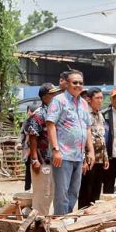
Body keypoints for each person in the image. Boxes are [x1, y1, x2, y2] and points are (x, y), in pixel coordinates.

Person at [46, 70, 95, 215]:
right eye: (75, 82)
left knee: (74, 192)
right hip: (63, 155)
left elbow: (87, 128)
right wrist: (55, 150)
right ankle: (60, 224)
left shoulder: (84, 104)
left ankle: (67, 220)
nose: (78, 85)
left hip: (78, 156)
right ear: (67, 84)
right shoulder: (59, 100)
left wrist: (90, 150)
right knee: (62, 194)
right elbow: (50, 124)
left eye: (80, 83)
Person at [26, 83, 63, 215]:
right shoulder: (39, 115)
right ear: (45, 97)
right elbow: (33, 136)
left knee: (51, 193)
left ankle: (45, 223)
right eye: (53, 94)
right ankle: (38, 224)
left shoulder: (56, 113)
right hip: (42, 161)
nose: (56, 96)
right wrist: (34, 159)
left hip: (54, 161)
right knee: (43, 195)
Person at [78, 88, 109, 208]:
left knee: (96, 189)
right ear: (89, 99)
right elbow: (83, 137)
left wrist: (105, 157)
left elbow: (102, 137)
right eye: (97, 98)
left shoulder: (100, 114)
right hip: (89, 158)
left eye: (102, 98)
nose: (100, 101)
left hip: (100, 158)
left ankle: (93, 215)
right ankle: (81, 216)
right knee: (86, 189)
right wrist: (84, 159)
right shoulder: (85, 114)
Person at [22, 102, 41, 192]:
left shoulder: (35, 120)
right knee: (29, 171)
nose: (28, 112)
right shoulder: (27, 122)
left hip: (37, 151)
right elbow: (24, 135)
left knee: (35, 171)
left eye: (29, 110)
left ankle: (34, 189)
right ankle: (28, 189)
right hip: (29, 150)